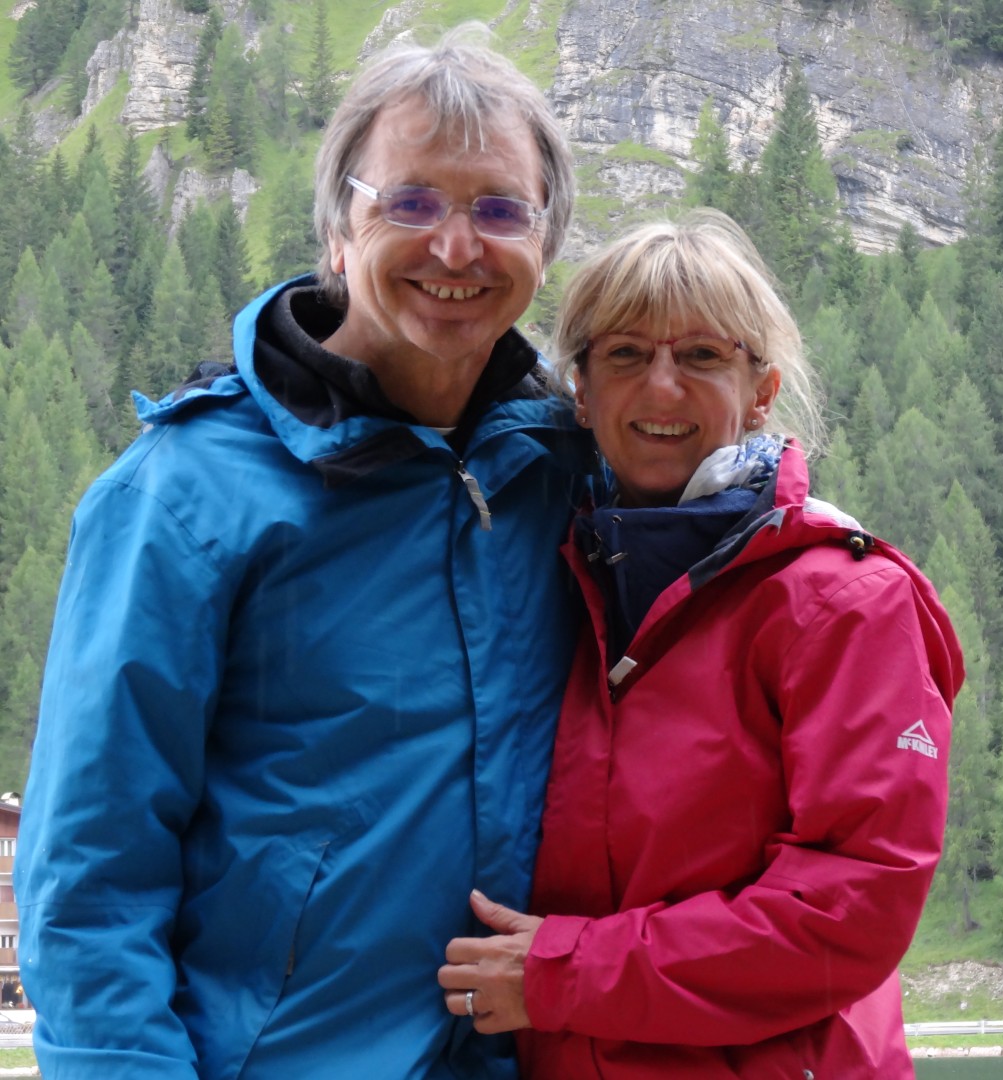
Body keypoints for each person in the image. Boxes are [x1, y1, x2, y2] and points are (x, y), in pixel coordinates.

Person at [16, 24, 591, 1080]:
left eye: (499, 210)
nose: (456, 248)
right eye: (410, 203)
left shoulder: (570, 470)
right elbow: (92, 879)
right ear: (336, 230)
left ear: (544, 244)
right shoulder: (182, 495)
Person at [438, 210, 965, 1077]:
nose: (661, 387)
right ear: (581, 390)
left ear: (762, 391)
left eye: (702, 356)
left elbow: (850, 911)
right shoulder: (553, 581)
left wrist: (562, 975)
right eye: (625, 354)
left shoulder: (843, 604)